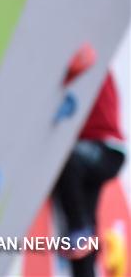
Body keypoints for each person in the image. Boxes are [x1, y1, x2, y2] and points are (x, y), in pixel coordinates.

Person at [53, 70, 126, 277]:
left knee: (67, 160)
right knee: (84, 229)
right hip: (100, 152)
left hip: (104, 149)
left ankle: (79, 229)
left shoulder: (93, 71)